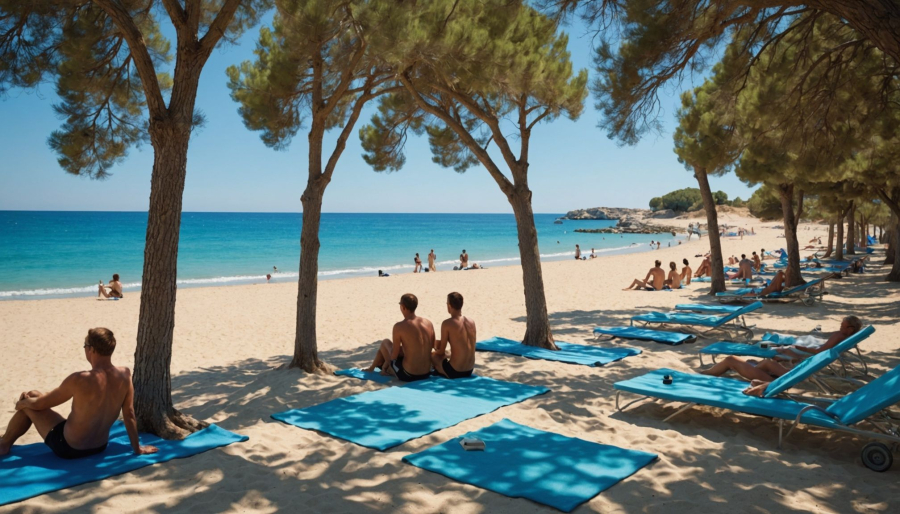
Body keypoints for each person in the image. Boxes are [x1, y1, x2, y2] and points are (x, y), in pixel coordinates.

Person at [0, 328, 158, 458]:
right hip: (99, 447)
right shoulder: (124, 374)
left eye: (85, 346)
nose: (85, 349)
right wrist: (137, 448)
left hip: (68, 447)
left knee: (30, 404)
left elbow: (41, 404)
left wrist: (22, 403)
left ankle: (4, 445)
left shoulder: (80, 379)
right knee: (34, 394)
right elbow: (129, 414)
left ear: (92, 349)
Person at [702, 316, 863, 396]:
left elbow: (818, 352)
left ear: (850, 329)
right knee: (761, 362)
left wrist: (797, 348)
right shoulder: (845, 339)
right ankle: (755, 372)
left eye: (843, 325)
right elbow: (820, 353)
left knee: (731, 360)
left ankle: (706, 375)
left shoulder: (839, 337)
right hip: (801, 369)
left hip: (794, 372)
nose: (840, 326)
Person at [364, 294, 434, 382]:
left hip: (409, 375)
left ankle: (377, 368)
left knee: (385, 343)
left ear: (403, 307)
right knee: (395, 350)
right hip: (427, 373)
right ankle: (373, 367)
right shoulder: (428, 323)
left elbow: (394, 355)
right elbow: (431, 346)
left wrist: (387, 363)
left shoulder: (399, 326)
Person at [432, 292, 476, 379]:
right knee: (448, 353)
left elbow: (441, 352)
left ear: (449, 305)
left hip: (454, 371)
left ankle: (439, 369)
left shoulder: (447, 323)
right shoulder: (471, 321)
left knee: (433, 357)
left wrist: (434, 352)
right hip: (470, 370)